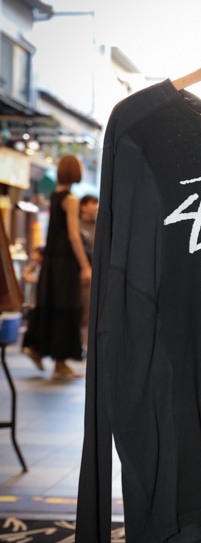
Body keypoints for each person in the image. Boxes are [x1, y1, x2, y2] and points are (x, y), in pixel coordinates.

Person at [22, 155, 92, 380]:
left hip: (52, 261)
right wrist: (85, 266)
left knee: (52, 306)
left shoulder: (54, 195)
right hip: (65, 263)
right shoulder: (70, 199)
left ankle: (41, 351)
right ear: (75, 172)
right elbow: (73, 235)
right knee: (67, 307)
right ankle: (58, 363)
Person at [79, 194, 98, 349]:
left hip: (93, 273)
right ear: (83, 206)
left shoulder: (99, 226)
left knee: (89, 309)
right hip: (78, 272)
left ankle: (85, 345)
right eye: (93, 203)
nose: (96, 206)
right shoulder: (76, 225)